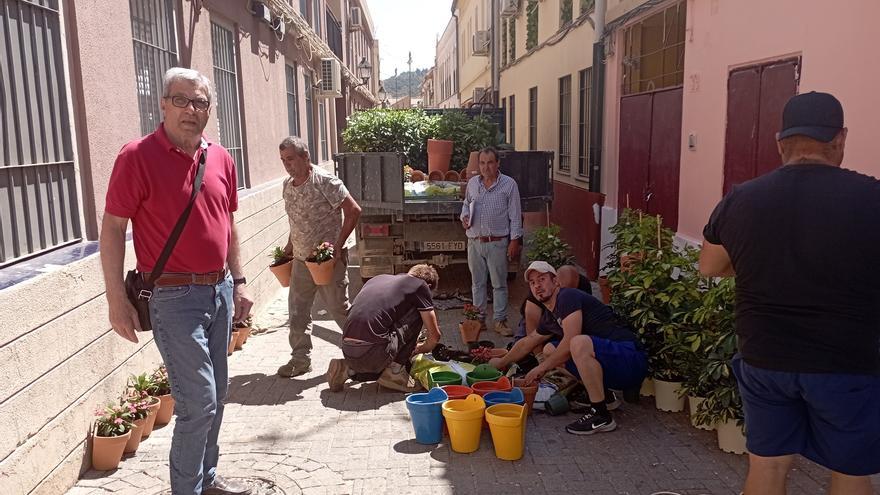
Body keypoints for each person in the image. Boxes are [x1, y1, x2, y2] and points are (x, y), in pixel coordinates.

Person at [699, 91, 880, 495]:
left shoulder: (742, 198)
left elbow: (710, 266)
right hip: (845, 363)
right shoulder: (872, 198)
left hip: (765, 358)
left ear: (781, 142)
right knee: (850, 472)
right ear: (841, 139)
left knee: (768, 466)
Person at [100, 67, 252, 495]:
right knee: (198, 402)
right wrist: (116, 299)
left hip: (219, 290)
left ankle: (206, 478)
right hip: (172, 296)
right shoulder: (137, 156)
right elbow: (112, 229)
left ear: (209, 110)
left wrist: (239, 281)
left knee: (217, 395)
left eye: (200, 102)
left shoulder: (221, 157)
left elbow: (228, 224)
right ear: (163, 104)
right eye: (181, 100)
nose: (191, 109)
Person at [489, 261, 647, 436]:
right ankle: (605, 397)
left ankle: (601, 416)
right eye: (532, 283)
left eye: (542, 279)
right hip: (612, 364)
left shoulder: (567, 296)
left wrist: (540, 368)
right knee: (550, 349)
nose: (537, 286)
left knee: (577, 343)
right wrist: (501, 362)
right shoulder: (550, 315)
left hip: (630, 358)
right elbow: (529, 341)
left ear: (556, 281)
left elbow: (572, 338)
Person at [277, 136, 362, 378]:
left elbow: (354, 210)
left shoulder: (325, 181)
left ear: (306, 157)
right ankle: (300, 359)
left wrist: (337, 246)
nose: (287, 165)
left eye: (291, 159)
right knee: (297, 310)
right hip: (302, 261)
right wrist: (288, 248)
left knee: (339, 310)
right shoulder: (287, 186)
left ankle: (364, 352)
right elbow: (296, 222)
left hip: (327, 261)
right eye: (283, 160)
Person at [326, 264, 441, 393]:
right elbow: (435, 336)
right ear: (429, 286)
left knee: (378, 342)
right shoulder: (420, 285)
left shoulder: (377, 279)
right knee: (420, 313)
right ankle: (395, 370)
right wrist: (419, 348)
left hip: (349, 351)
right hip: (374, 352)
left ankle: (347, 369)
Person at [460, 146, 523, 337]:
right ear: (478, 165)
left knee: (499, 284)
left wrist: (514, 241)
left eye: (490, 163)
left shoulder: (509, 185)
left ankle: (500, 321)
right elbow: (465, 205)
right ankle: (479, 320)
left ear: (497, 164)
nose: (485, 167)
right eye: (482, 163)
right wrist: (464, 217)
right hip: (475, 242)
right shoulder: (472, 184)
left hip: (497, 242)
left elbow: (515, 215)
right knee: (477, 283)